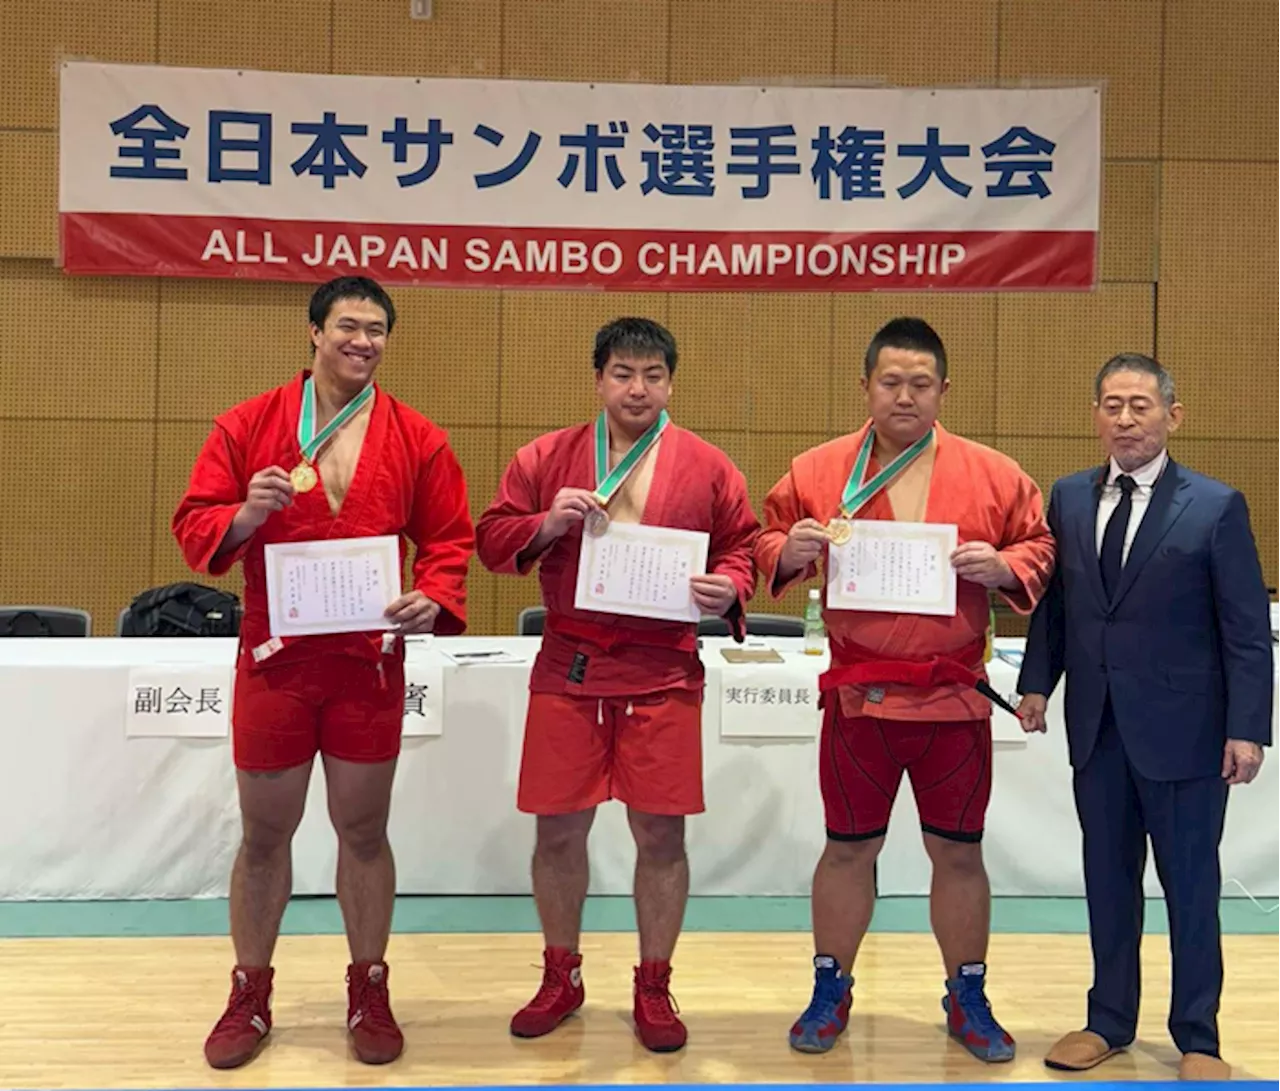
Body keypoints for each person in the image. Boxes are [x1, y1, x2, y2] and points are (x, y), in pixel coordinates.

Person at [172, 275, 474, 1070]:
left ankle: (369, 985)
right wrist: (246, 513)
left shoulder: (418, 436)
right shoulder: (250, 424)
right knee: (264, 836)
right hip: (276, 664)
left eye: (377, 329)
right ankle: (250, 987)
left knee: (365, 832)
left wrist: (434, 595)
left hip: (366, 667)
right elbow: (194, 518)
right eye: (349, 325)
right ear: (314, 333)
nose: (363, 340)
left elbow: (448, 537)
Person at [756, 317, 1055, 1061]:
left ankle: (967, 991)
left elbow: (1041, 544)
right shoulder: (818, 469)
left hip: (953, 698)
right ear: (865, 386)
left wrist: (1005, 565)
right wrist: (787, 548)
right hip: (860, 699)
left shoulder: (995, 473)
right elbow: (760, 537)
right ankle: (832, 985)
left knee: (959, 852)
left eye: (921, 383)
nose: (905, 396)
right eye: (890, 381)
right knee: (847, 849)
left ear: (944, 390)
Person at [474, 317, 758, 1052]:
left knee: (661, 832)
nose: (638, 388)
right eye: (624, 373)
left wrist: (727, 587)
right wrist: (545, 522)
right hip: (570, 666)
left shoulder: (709, 465)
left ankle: (654, 981)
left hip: (662, 669)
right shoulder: (547, 456)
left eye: (653, 375)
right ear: (598, 379)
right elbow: (492, 537)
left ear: (671, 382)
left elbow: (742, 550)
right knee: (558, 827)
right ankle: (560, 973)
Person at [1016, 353, 1271, 1080]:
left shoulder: (1215, 506)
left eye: (1140, 405)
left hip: (1187, 734)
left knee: (1193, 886)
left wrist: (1247, 726)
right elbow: (1057, 610)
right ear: (1096, 414)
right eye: (1112, 404)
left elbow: (1246, 630)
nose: (1125, 418)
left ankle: (1198, 1034)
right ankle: (1108, 1020)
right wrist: (1038, 684)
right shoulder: (1066, 498)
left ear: (1171, 416)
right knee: (1107, 879)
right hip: (1098, 729)